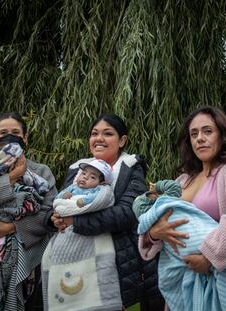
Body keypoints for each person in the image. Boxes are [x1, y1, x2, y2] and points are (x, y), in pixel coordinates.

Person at [139, 106, 226, 311]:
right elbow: (157, 218)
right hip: (183, 280)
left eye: (208, 131)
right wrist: (153, 233)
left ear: (222, 135)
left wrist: (209, 258)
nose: (200, 138)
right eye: (194, 134)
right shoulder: (181, 181)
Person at [48, 114, 164, 310]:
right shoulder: (78, 168)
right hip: (72, 256)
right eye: (94, 133)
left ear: (122, 140)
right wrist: (54, 219)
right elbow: (60, 202)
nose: (99, 138)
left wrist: (75, 222)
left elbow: (127, 212)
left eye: (108, 133)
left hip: (119, 260)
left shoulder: (130, 167)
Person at [134, 179, 226, 311]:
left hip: (213, 245)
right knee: (169, 279)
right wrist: (154, 232)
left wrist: (209, 257)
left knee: (222, 275)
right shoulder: (178, 185)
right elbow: (173, 189)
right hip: (187, 253)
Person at [0, 112, 57, 311]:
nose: (10, 136)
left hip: (29, 255)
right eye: (4, 132)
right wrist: (12, 177)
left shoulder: (41, 172)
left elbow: (48, 213)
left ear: (25, 137)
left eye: (16, 132)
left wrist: (12, 228)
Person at [42, 158, 121, 310]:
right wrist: (62, 204)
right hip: (66, 233)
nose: (85, 177)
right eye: (84, 173)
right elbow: (58, 200)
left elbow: (99, 200)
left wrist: (80, 203)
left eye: (92, 177)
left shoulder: (99, 190)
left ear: (101, 182)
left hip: (89, 230)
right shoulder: (73, 187)